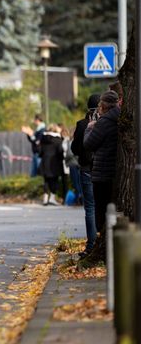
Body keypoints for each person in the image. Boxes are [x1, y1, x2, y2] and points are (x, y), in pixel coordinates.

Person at [84, 90, 120, 236]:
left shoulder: (104, 122)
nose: (98, 108)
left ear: (104, 106)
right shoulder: (119, 118)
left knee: (101, 211)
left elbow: (88, 144)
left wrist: (89, 128)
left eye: (100, 105)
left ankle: (104, 240)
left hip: (102, 172)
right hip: (115, 171)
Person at [71, 94, 100, 257]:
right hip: (103, 169)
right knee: (103, 206)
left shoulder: (82, 124)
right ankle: (103, 241)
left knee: (90, 207)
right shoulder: (106, 122)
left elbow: (74, 149)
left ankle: (91, 245)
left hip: (86, 168)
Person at [39, 124, 63, 206]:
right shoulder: (58, 139)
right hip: (54, 162)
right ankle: (52, 198)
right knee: (54, 180)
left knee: (46, 180)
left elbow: (40, 152)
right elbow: (60, 151)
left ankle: (45, 198)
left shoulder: (43, 139)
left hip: (44, 162)